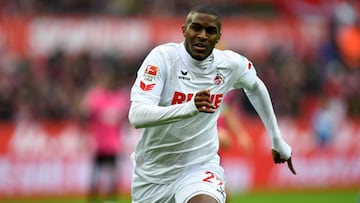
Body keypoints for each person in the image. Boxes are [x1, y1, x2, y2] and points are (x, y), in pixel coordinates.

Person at [128, 4, 296, 203]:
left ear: (218, 37)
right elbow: (136, 115)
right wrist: (189, 108)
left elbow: (256, 87)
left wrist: (277, 140)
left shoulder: (229, 64)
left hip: (199, 166)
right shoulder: (162, 59)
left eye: (210, 31)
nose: (202, 35)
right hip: (153, 175)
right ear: (184, 30)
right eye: (196, 28)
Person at [79, 65, 130, 203]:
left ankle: (110, 200)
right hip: (99, 144)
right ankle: (94, 199)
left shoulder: (120, 98)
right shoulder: (96, 96)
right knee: (95, 177)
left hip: (114, 144)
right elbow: (85, 116)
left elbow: (126, 119)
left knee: (113, 176)